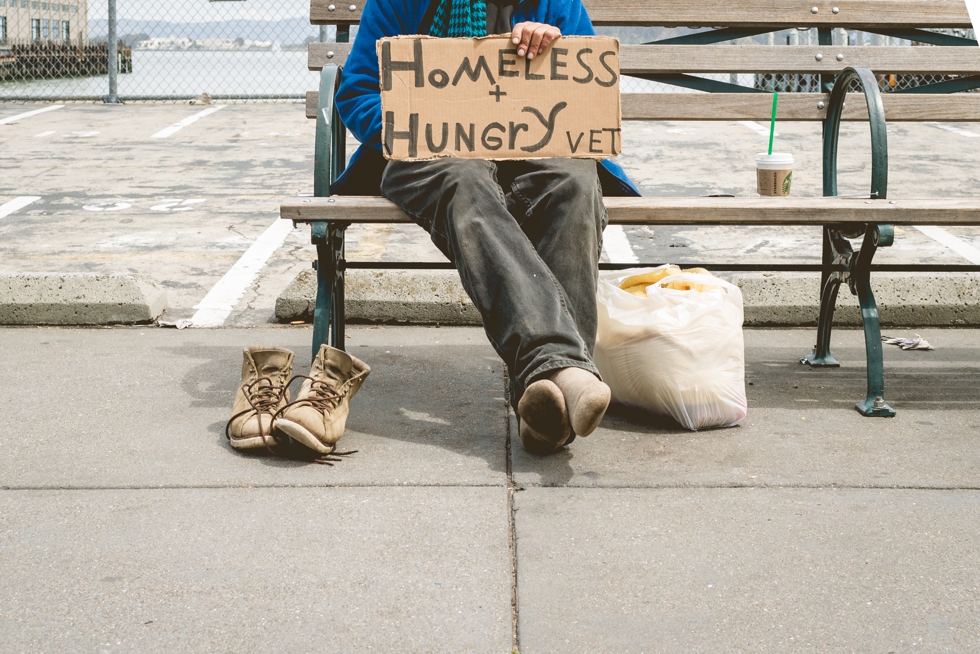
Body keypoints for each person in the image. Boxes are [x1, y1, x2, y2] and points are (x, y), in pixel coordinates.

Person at [333, 0, 641, 455]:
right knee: (465, 178)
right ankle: (564, 368)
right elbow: (358, 92)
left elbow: (583, 87)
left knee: (574, 182)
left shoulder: (554, 3)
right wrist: (416, 120)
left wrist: (553, 55)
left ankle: (545, 412)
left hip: (531, 149)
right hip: (431, 156)